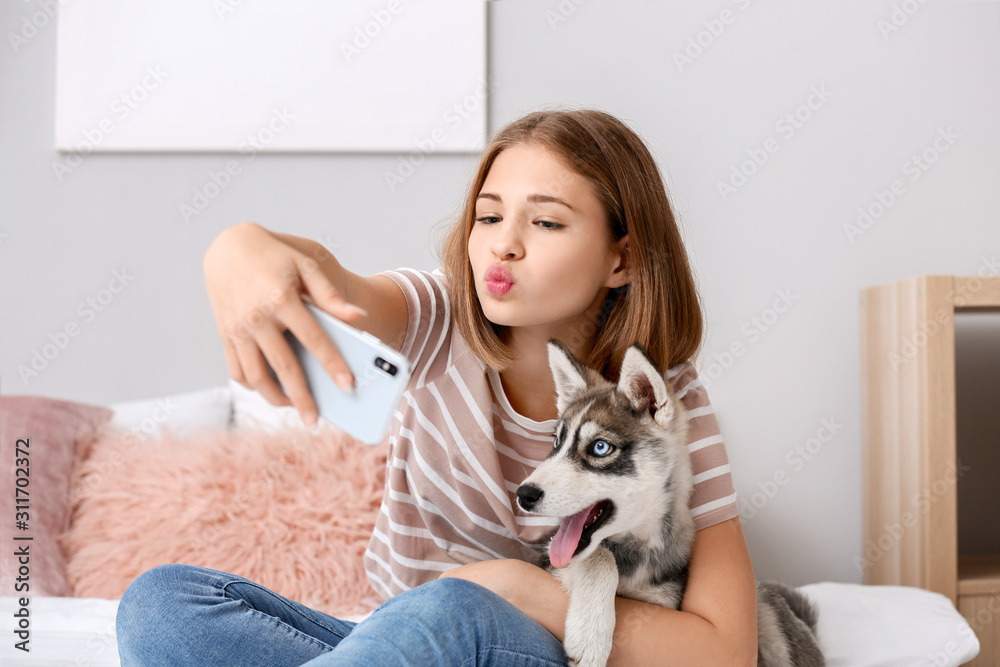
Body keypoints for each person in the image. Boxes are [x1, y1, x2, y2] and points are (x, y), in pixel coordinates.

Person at [116, 108, 758, 666]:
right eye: (488, 216)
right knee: (161, 605)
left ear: (621, 257)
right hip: (396, 644)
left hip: (537, 646)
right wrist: (236, 248)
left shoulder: (660, 403)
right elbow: (337, 286)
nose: (501, 246)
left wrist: (513, 587)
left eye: (547, 224)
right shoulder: (438, 317)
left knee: (455, 607)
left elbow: (726, 653)